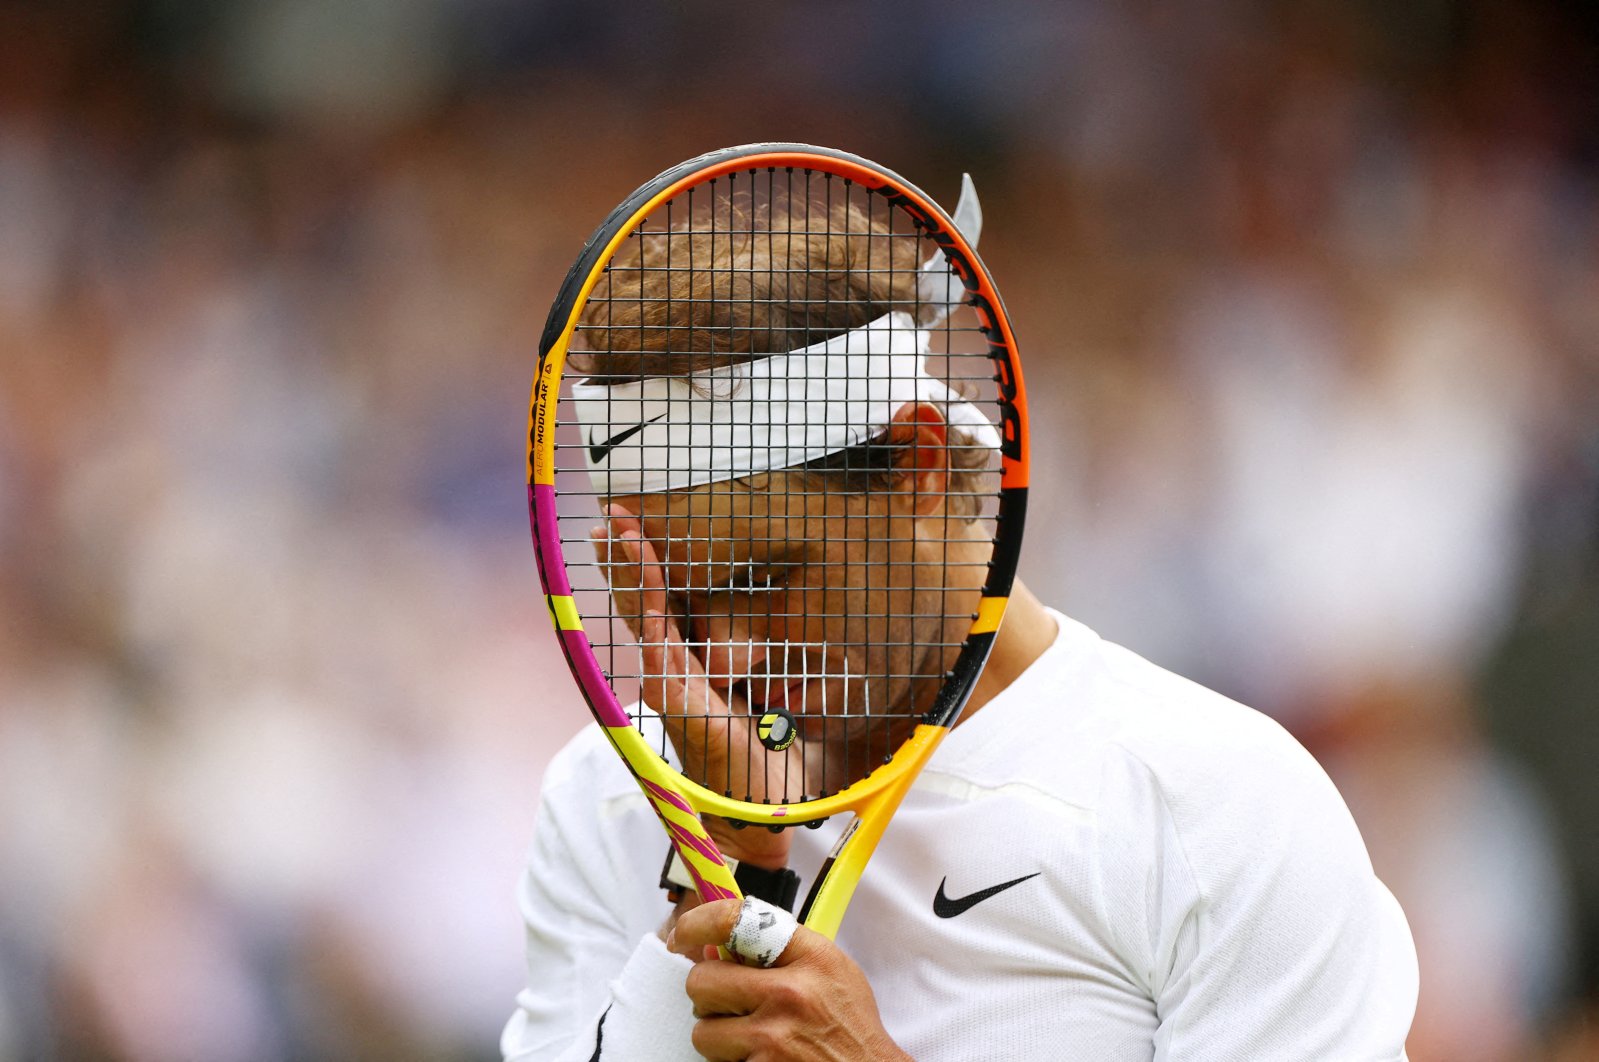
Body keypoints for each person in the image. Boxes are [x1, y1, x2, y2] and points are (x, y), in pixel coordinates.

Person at [503, 177, 1418, 1061]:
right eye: (679, 602)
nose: (726, 657)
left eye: (762, 578)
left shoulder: (1218, 810)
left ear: (919, 464)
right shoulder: (605, 798)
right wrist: (732, 866)